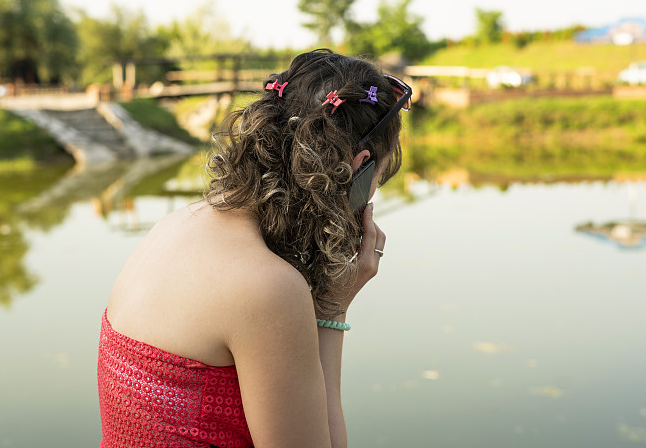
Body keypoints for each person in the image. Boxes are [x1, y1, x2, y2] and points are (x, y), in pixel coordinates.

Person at [97, 49, 413, 448]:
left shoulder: (172, 225)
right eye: (376, 181)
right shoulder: (268, 289)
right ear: (358, 166)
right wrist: (332, 311)